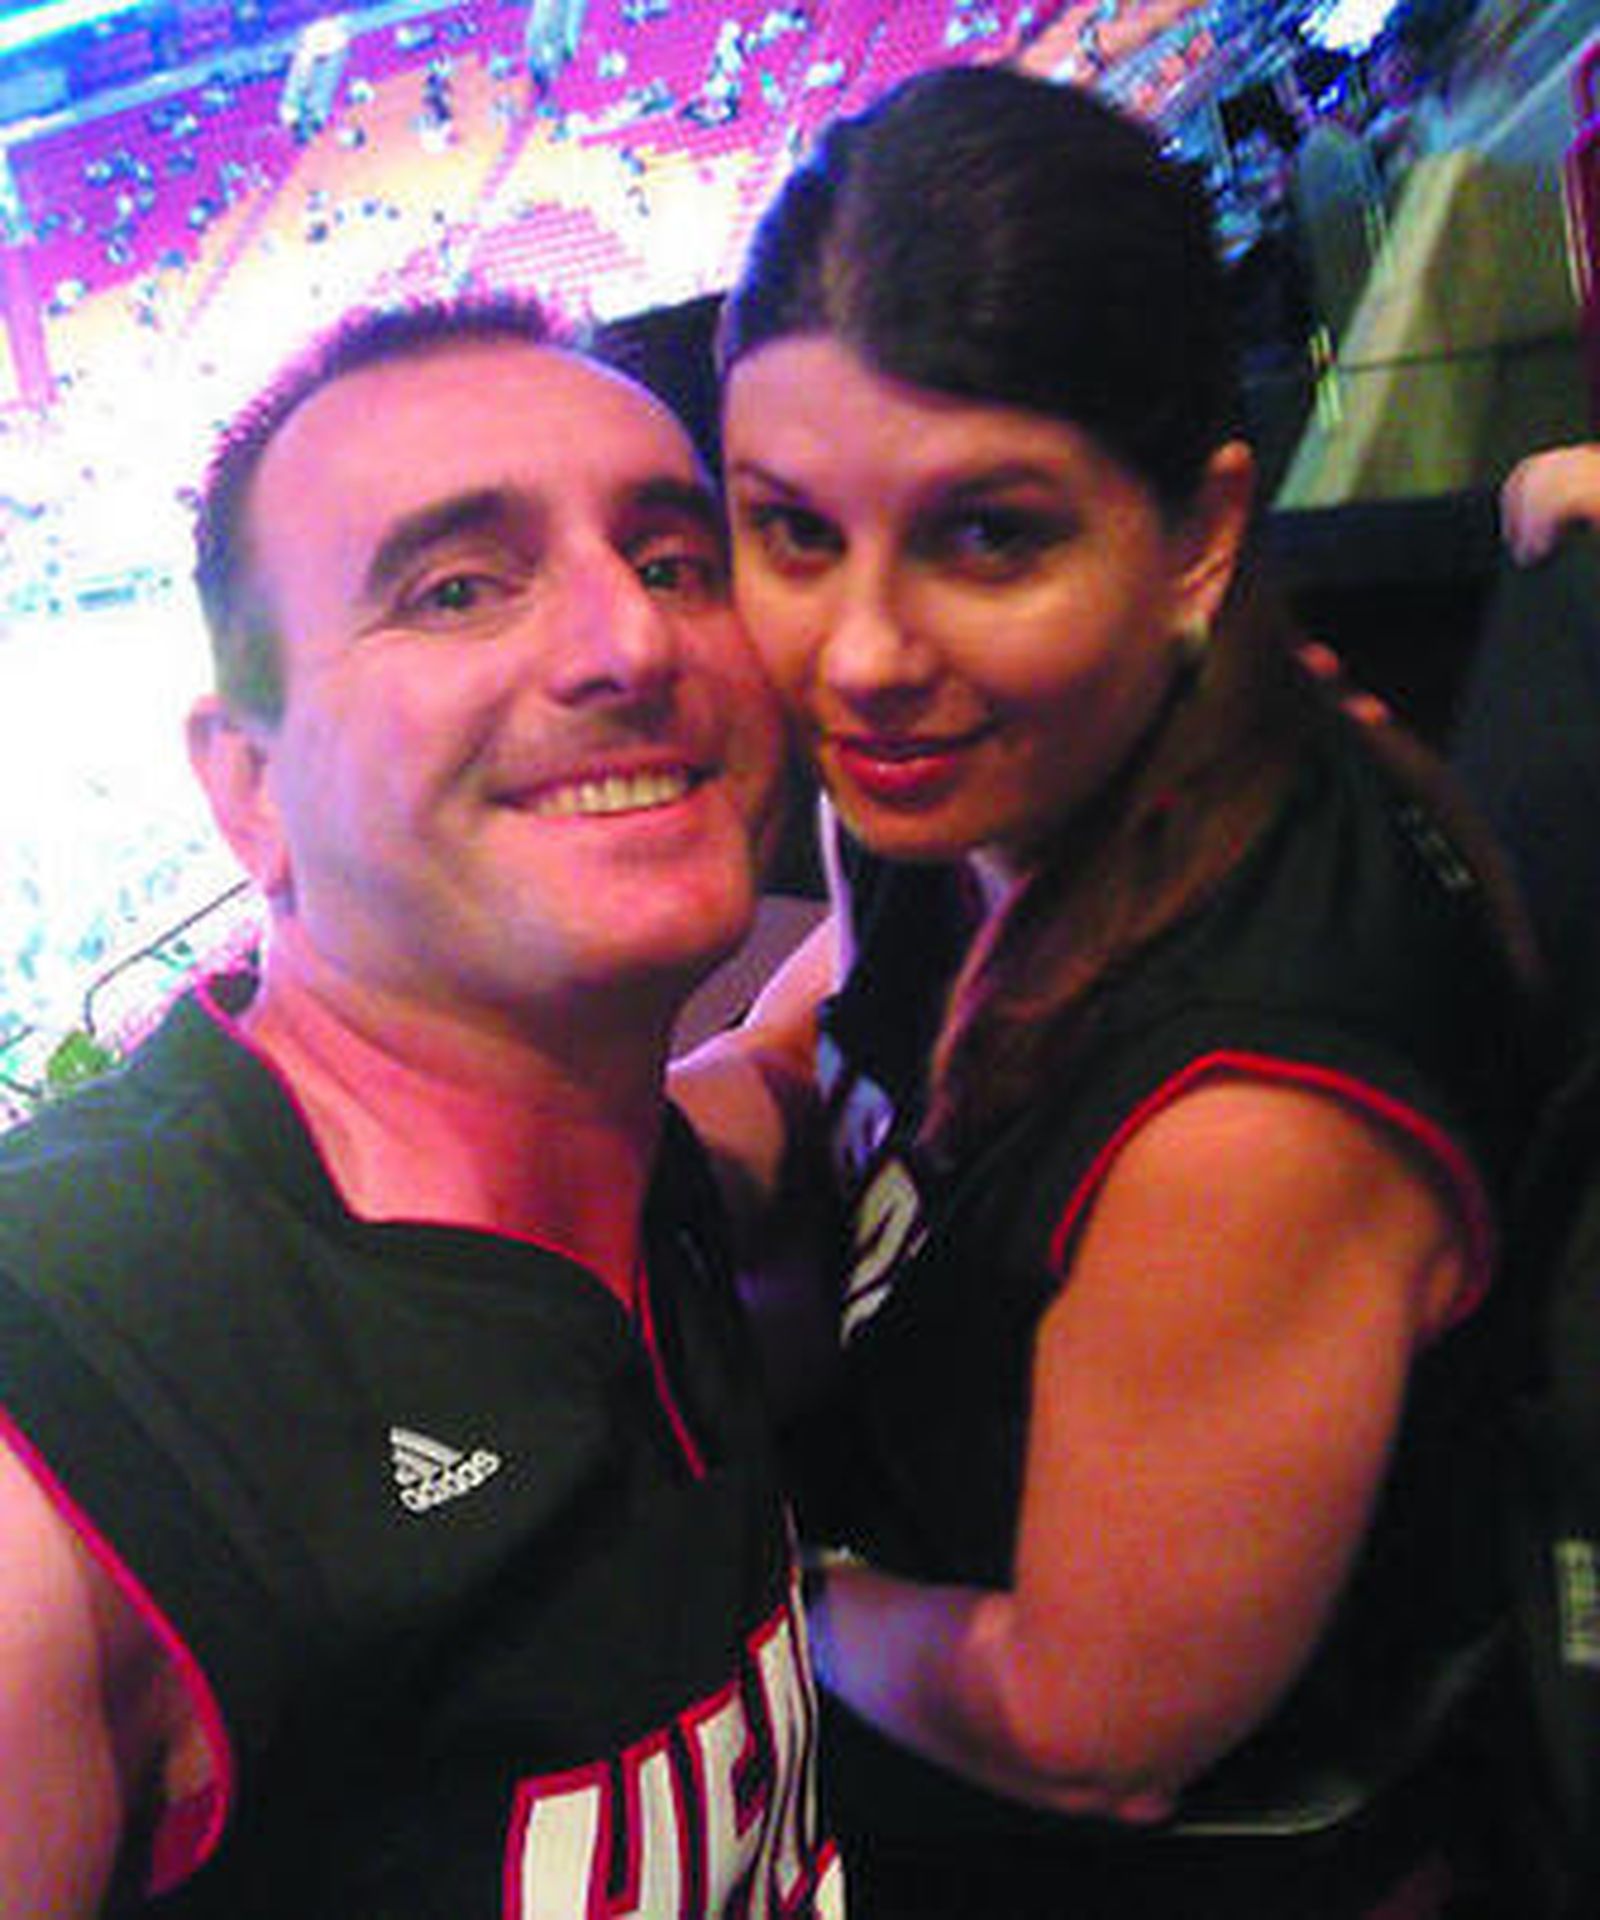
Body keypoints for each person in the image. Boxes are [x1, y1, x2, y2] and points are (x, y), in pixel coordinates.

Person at [676, 65, 1544, 1919]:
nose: (861, 654)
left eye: (991, 535)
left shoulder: (1246, 1116)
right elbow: (838, 1029)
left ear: (1201, 537)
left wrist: (771, 1588)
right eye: (794, 531)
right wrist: (650, 1139)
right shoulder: (984, 770)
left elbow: (1092, 1725)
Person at [0, 295, 843, 1917]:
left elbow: (783, 1062)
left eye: (676, 562)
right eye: (455, 589)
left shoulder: (644, 1175)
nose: (631, 640)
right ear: (249, 786)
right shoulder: (71, 1397)